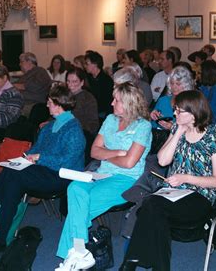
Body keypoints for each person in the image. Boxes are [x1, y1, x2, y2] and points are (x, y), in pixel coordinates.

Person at [0, 85, 86, 258]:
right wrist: (27, 157)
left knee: (14, 177)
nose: (46, 105)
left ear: (58, 104)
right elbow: (37, 149)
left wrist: (39, 157)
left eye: (49, 102)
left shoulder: (74, 129)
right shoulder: (49, 127)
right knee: (12, 175)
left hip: (61, 176)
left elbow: (67, 162)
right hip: (42, 170)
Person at [120, 90, 216, 271]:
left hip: (200, 196)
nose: (174, 114)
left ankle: (131, 261)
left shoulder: (214, 137)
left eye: (178, 111)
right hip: (173, 192)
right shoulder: (177, 128)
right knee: (154, 210)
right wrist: (178, 134)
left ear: (193, 113)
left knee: (151, 206)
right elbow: (162, 160)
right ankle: (155, 266)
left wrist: (185, 178)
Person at [55, 82, 152, 271]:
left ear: (129, 103)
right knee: (75, 187)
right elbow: (94, 151)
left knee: (79, 209)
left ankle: (74, 258)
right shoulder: (110, 120)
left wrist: (108, 153)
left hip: (126, 179)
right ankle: (79, 254)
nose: (111, 103)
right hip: (101, 173)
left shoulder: (143, 126)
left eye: (117, 100)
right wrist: (119, 152)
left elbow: (129, 163)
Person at [14, 52, 52, 117]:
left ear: (29, 62)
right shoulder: (25, 75)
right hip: (20, 102)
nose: (20, 64)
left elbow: (38, 85)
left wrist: (22, 86)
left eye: (21, 62)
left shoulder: (40, 71)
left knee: (11, 111)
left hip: (32, 104)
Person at [66, 68, 99, 136]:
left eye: (74, 81)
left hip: (80, 132)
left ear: (82, 83)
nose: (70, 85)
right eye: (68, 81)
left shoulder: (88, 98)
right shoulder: (64, 95)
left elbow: (93, 125)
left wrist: (73, 125)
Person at [85, 51, 114, 118]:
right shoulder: (87, 78)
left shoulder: (106, 80)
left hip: (102, 113)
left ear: (95, 64)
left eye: (87, 64)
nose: (85, 66)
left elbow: (107, 102)